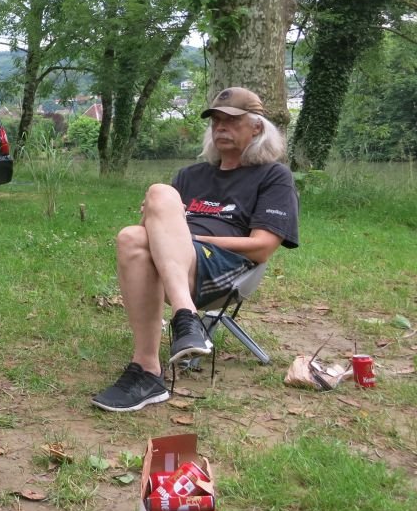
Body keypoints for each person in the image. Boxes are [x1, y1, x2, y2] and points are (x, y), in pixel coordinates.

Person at [91, 87, 299, 412]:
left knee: (156, 199)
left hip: (224, 267)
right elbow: (151, 231)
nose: (221, 128)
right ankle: (152, 364)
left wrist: (188, 240)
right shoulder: (190, 175)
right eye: (216, 121)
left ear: (257, 127)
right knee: (134, 231)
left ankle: (183, 318)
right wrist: (160, 221)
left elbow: (261, 248)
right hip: (177, 267)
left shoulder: (273, 176)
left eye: (232, 121)